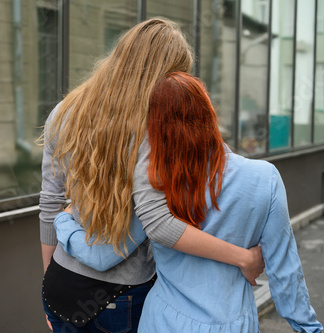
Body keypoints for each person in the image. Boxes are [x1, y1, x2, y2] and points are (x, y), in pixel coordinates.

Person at [39, 18, 264, 333]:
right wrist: (244, 258)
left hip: (61, 284)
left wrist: (49, 280)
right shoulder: (153, 129)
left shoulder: (62, 112)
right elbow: (159, 223)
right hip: (121, 298)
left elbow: (50, 203)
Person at [53, 72, 323, 332]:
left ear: (155, 129)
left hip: (164, 321)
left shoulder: (157, 186)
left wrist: (63, 221)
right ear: (209, 114)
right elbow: (285, 269)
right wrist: (307, 327)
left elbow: (103, 256)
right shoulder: (265, 178)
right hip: (233, 323)